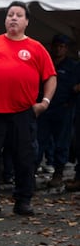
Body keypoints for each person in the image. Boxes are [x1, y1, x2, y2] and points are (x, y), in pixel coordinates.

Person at [0, 2, 56, 216]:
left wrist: (44, 102)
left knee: (24, 157)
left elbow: (50, 77)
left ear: (27, 21)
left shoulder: (36, 48)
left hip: (23, 112)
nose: (14, 18)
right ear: (5, 19)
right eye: (10, 15)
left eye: (19, 15)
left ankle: (23, 201)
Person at [36, 34, 79, 190]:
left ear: (66, 49)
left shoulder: (73, 66)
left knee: (62, 142)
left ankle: (58, 173)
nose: (59, 49)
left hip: (64, 109)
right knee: (38, 141)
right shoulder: (45, 63)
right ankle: (31, 173)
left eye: (62, 46)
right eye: (57, 46)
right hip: (44, 108)